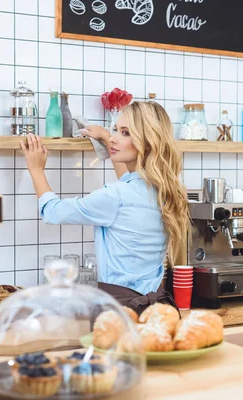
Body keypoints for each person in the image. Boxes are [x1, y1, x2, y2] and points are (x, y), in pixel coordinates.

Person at [21, 101, 190, 313]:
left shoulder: (115, 195)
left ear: (147, 142)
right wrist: (104, 137)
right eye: (115, 130)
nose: (114, 138)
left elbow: (53, 211)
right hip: (157, 311)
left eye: (125, 133)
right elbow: (127, 185)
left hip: (119, 310)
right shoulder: (166, 189)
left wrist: (36, 169)